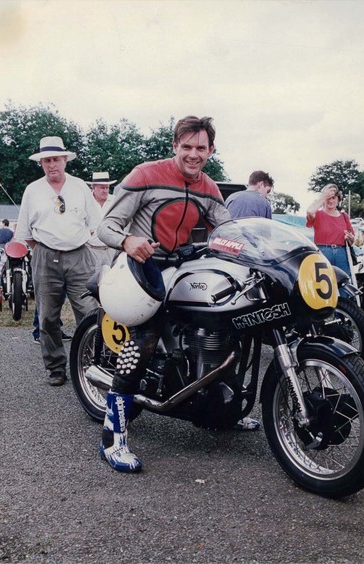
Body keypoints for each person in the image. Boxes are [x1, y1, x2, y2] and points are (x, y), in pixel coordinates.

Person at [96, 115, 258, 473]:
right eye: (186, 146)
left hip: (182, 268)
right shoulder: (145, 175)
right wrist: (128, 240)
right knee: (145, 338)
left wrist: (253, 250)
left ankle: (221, 408)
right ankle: (113, 438)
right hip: (140, 268)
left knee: (228, 320)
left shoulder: (211, 188)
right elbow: (105, 225)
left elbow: (229, 229)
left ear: (211, 150)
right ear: (175, 146)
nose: (193, 154)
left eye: (201, 147)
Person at [15, 136, 101, 386]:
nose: (52, 165)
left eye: (56, 159)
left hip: (79, 257)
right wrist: (47, 249)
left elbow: (95, 225)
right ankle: (56, 368)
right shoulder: (32, 190)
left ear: (65, 160)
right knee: (47, 318)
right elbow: (25, 234)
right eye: (46, 160)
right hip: (44, 256)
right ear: (41, 163)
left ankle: (92, 365)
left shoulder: (80, 188)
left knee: (89, 313)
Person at [306, 183, 355, 276]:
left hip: (342, 253)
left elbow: (352, 241)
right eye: (328, 198)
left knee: (344, 284)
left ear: (338, 200)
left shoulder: (344, 216)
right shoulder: (317, 214)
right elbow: (310, 211)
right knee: (324, 286)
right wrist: (324, 196)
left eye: (334, 198)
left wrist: (350, 238)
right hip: (323, 252)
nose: (331, 201)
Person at [86, 171, 117, 272]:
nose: (105, 190)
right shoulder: (85, 201)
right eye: (101, 187)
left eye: (107, 187)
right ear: (93, 187)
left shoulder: (115, 201)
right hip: (91, 250)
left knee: (110, 280)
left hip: (111, 250)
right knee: (89, 281)